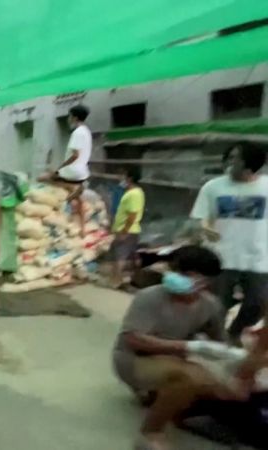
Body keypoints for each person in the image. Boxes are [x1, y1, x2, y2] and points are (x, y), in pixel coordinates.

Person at [111, 245, 253, 450]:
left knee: (225, 386)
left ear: (207, 281)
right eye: (176, 271)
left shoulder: (210, 305)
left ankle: (161, 398)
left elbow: (220, 342)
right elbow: (133, 339)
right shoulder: (150, 297)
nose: (177, 277)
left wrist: (239, 359)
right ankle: (150, 433)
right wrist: (188, 346)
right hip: (133, 359)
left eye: (187, 274)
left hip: (172, 358)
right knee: (190, 377)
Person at [190, 142, 268, 344]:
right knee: (217, 304)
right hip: (221, 255)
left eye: (237, 158)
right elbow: (202, 216)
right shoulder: (213, 186)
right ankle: (216, 340)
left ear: (251, 163)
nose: (231, 162)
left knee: (258, 302)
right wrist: (206, 227)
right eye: (230, 157)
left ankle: (235, 331)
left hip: (258, 256)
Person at [39, 105, 92, 233]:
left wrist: (59, 169)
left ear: (74, 117)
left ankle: (67, 194)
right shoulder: (86, 131)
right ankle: (83, 228)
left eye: (70, 116)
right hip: (82, 172)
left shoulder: (77, 132)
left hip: (73, 171)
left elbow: (75, 155)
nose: (68, 119)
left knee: (42, 178)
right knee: (79, 198)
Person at [108, 166, 145, 289]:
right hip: (130, 230)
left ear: (129, 178)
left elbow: (132, 215)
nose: (122, 179)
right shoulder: (134, 192)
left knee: (120, 256)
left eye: (124, 176)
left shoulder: (134, 194)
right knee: (131, 256)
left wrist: (124, 231)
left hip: (127, 230)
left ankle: (116, 281)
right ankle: (135, 279)